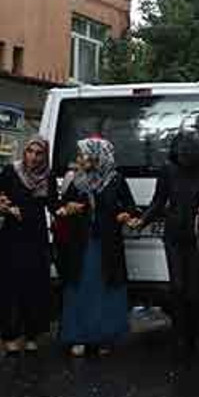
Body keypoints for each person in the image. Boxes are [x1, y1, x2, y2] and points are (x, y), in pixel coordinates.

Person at [138, 131, 199, 355]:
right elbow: (158, 202)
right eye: (181, 155)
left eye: (188, 155)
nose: (184, 159)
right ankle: (181, 337)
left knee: (196, 291)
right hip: (174, 236)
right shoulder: (168, 171)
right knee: (177, 288)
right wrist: (143, 221)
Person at [57, 138, 139, 356]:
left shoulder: (115, 180)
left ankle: (104, 336)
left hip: (107, 244)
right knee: (80, 288)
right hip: (81, 244)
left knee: (106, 288)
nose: (79, 159)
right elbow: (61, 206)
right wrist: (68, 208)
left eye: (83, 154)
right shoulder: (75, 180)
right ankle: (78, 336)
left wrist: (125, 214)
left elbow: (130, 206)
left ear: (97, 156)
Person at [0, 136, 54, 356]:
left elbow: (53, 203)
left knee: (34, 283)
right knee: (10, 284)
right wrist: (4, 207)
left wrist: (67, 210)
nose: (33, 157)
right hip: (13, 235)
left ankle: (31, 333)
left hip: (37, 235)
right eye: (30, 151)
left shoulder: (47, 176)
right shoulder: (12, 172)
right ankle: (9, 334)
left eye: (39, 153)